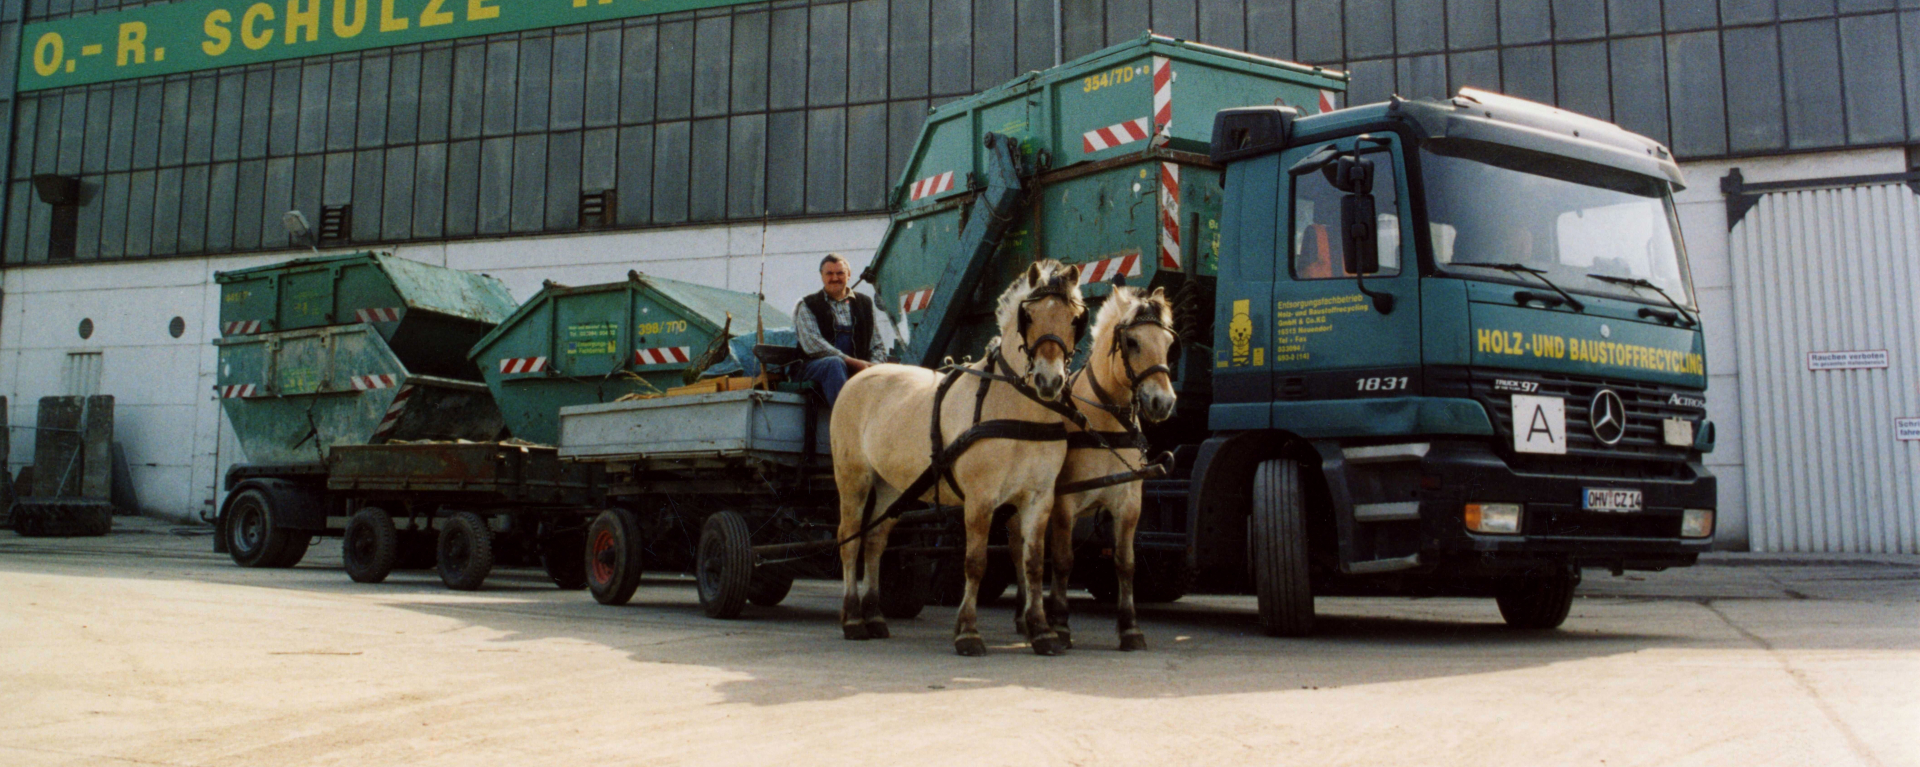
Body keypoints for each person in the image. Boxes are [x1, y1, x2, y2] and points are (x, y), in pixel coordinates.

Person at [792, 253, 890, 405]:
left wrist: (873, 368)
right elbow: (813, 345)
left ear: (849, 275)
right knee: (834, 364)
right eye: (829, 273)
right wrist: (852, 362)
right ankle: (846, 423)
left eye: (840, 273)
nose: (835, 278)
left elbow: (876, 344)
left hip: (853, 368)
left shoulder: (865, 303)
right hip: (812, 368)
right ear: (822, 276)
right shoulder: (808, 304)